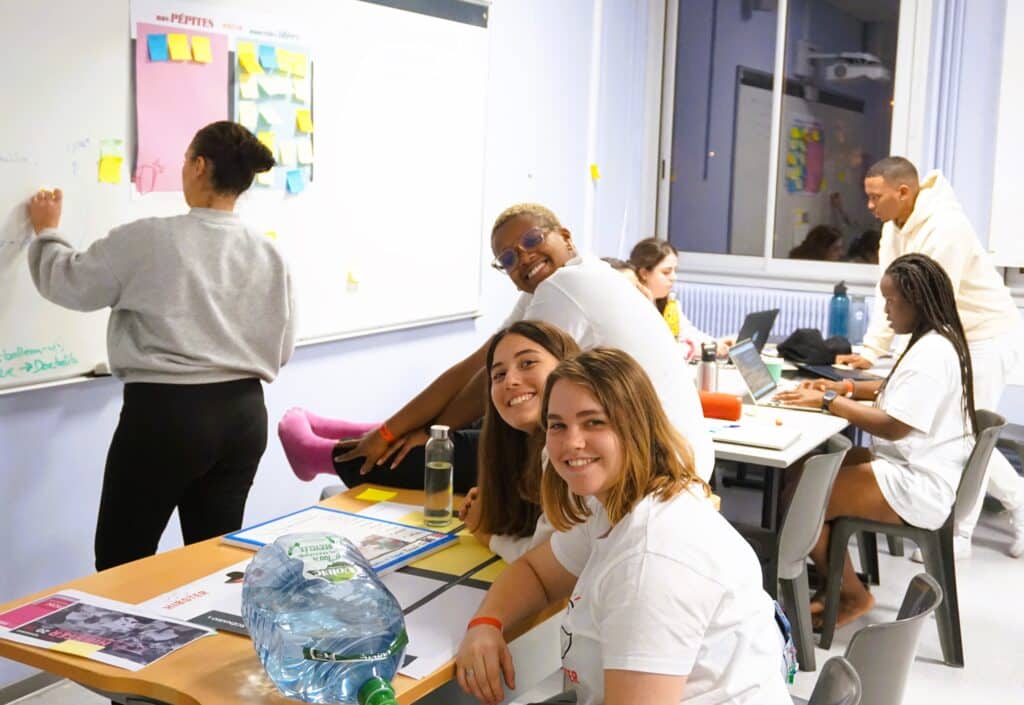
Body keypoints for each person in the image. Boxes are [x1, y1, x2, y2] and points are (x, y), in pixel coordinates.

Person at [283, 203, 714, 488]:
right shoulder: (559, 282)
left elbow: (490, 384)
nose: (523, 257)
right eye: (508, 258)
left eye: (532, 241)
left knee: (493, 430)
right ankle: (361, 434)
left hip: (656, 461)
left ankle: (325, 456)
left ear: (564, 236)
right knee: (492, 410)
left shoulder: (568, 286)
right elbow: (477, 366)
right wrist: (391, 430)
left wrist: (433, 436)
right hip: (649, 445)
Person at [26, 121, 295, 572]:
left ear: (199, 165)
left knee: (122, 562)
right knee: (212, 563)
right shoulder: (268, 252)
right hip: (244, 417)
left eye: (185, 160)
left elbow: (71, 282)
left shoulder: (149, 238)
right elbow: (282, 347)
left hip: (167, 416)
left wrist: (47, 233)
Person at [454, 348, 790, 705]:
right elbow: (537, 573)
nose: (571, 442)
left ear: (636, 426)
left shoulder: (652, 563)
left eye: (594, 422)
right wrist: (486, 623)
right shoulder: (618, 503)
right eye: (557, 425)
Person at [834, 157, 1024, 559]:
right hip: (947, 333)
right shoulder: (893, 228)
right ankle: (1015, 502)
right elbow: (890, 293)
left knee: (965, 437)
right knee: (957, 434)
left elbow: (934, 301)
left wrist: (907, 364)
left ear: (903, 192)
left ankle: (957, 536)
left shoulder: (946, 226)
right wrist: (871, 351)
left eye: (876, 197)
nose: (869, 205)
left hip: (985, 335)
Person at [776, 253, 977, 626]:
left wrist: (829, 400)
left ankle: (851, 595)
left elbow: (894, 425)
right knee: (805, 469)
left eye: (891, 301)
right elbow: (896, 388)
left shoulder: (932, 354)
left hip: (916, 483)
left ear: (915, 302)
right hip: (911, 464)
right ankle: (830, 578)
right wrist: (847, 387)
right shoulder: (934, 340)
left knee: (801, 497)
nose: (885, 311)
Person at [460, 321, 581, 561]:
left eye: (527, 363)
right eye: (499, 375)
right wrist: (494, 504)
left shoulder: (572, 448)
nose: (510, 381)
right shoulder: (528, 450)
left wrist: (488, 536)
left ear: (567, 366)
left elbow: (547, 561)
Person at [628, 237, 725, 358]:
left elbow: (687, 332)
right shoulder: (633, 306)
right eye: (666, 272)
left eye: (675, 270)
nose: (674, 277)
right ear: (644, 273)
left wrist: (714, 344)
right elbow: (658, 349)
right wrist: (696, 349)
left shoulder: (669, 303)